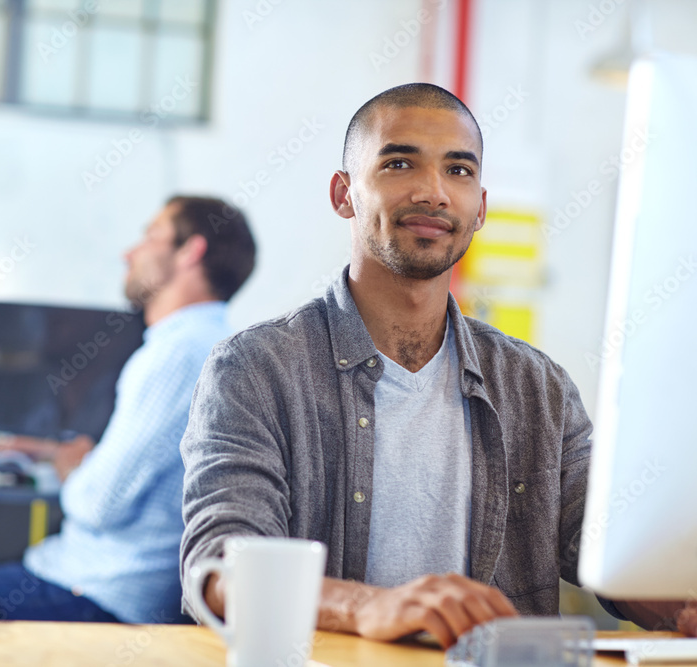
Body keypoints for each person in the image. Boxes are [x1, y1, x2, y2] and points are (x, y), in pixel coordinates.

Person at [179, 83, 696, 647]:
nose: (434, 192)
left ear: (481, 209)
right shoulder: (255, 369)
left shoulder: (538, 387)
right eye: (399, 163)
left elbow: (610, 550)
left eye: (458, 170)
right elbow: (218, 569)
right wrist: (370, 606)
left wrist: (679, 603)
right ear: (344, 194)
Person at [0, 196, 257, 624]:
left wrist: (72, 466)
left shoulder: (177, 354)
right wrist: (61, 454)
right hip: (105, 583)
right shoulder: (211, 344)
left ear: (191, 250)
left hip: (97, 590)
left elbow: (99, 503)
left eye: (150, 236)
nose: (128, 253)